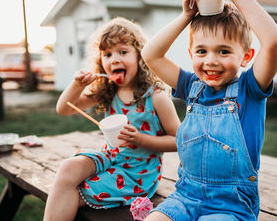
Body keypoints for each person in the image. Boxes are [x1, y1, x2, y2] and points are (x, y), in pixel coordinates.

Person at [142, 0, 277, 221]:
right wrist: (187, 15)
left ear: (246, 56)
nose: (211, 61)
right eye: (201, 51)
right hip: (185, 197)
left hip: (230, 205)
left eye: (224, 51)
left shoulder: (250, 89)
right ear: (191, 54)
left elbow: (274, 41)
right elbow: (150, 54)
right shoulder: (190, 86)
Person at [43, 17, 180, 221]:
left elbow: (179, 140)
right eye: (107, 54)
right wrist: (77, 85)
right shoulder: (107, 90)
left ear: (141, 56)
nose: (114, 59)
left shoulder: (156, 96)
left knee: (73, 189)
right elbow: (63, 108)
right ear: (100, 61)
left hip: (137, 171)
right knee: (68, 168)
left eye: (123, 52)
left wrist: (141, 140)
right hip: (110, 158)